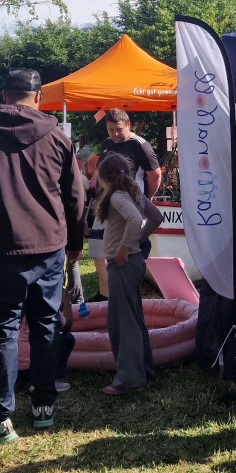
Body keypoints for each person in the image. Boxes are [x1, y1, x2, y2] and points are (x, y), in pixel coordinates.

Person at [0, 69, 85, 444]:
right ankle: (44, 406)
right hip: (47, 246)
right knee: (45, 325)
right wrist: (75, 244)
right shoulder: (57, 137)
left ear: (5, 96)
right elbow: (75, 196)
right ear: (38, 97)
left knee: (2, 330)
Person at [94, 152, 163, 396]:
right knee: (131, 317)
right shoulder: (133, 194)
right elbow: (156, 216)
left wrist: (124, 248)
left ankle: (129, 379)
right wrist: (138, 240)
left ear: (105, 178)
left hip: (122, 264)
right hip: (132, 263)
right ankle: (143, 369)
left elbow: (135, 219)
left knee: (122, 322)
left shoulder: (117, 197)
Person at [99, 109, 161, 199]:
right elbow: (100, 170)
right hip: (111, 200)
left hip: (134, 199)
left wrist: (147, 198)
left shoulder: (140, 144)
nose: (115, 134)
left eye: (119, 129)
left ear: (128, 125)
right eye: (111, 130)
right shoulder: (106, 143)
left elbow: (155, 175)